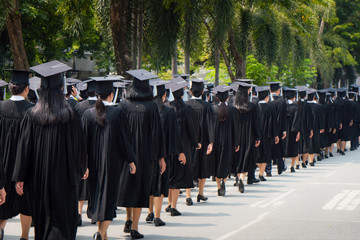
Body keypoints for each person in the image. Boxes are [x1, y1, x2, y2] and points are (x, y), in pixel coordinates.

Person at [12, 60, 88, 240]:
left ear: (41, 89)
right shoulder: (71, 114)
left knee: (43, 221)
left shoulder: (32, 115)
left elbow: (24, 148)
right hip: (66, 177)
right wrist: (81, 166)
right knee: (64, 220)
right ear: (61, 88)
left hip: (39, 178)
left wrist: (20, 177)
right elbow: (80, 144)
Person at [82, 77, 136, 240]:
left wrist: (83, 164)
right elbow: (125, 140)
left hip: (92, 164)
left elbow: (82, 142)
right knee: (109, 200)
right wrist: (131, 161)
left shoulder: (87, 114)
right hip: (112, 163)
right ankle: (100, 233)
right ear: (111, 95)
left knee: (98, 198)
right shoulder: (118, 113)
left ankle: (103, 235)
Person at [117, 69, 165, 239]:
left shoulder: (122, 105)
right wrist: (160, 157)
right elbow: (157, 134)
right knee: (138, 189)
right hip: (144, 156)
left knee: (128, 187)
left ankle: (128, 219)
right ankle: (135, 227)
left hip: (125, 155)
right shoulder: (152, 107)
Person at [146, 80, 185, 225]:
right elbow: (175, 134)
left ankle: (149, 212)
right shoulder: (168, 111)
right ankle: (157, 215)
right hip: (164, 153)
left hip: (148, 154)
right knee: (160, 185)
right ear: (164, 95)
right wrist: (179, 151)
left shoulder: (147, 109)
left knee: (150, 184)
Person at [0, 70, 32, 240]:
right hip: (25, 167)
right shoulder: (32, 110)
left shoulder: (0, 108)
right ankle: (24, 237)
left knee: (2, 203)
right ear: (27, 88)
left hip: (3, 165)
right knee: (26, 204)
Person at [166, 80, 201, 216]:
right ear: (182, 94)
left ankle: (169, 203)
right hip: (183, 147)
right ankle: (174, 206)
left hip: (169, 147)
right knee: (178, 177)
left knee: (170, 176)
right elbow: (191, 129)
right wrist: (195, 143)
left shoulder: (166, 108)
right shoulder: (187, 109)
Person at [73, 79, 98, 226]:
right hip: (98, 149)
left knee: (82, 181)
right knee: (96, 181)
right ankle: (93, 211)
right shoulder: (102, 107)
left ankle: (78, 213)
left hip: (81, 148)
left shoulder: (78, 106)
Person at [186, 79, 214, 204]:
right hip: (202, 140)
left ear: (190, 91)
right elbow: (210, 125)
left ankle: (188, 195)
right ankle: (200, 193)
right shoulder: (207, 106)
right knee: (202, 166)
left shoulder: (185, 105)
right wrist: (211, 142)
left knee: (189, 166)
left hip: (188, 141)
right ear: (203, 91)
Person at [232, 82, 260, 192]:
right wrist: (257, 137)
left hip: (236, 135)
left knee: (237, 156)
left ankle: (237, 178)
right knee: (246, 157)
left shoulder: (233, 107)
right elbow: (256, 123)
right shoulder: (252, 106)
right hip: (249, 135)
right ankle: (242, 179)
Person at [212, 85, 239, 196]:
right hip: (229, 141)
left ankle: (219, 186)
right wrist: (236, 142)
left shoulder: (213, 108)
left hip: (216, 141)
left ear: (217, 97)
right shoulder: (232, 109)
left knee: (217, 162)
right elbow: (236, 127)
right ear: (228, 97)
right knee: (226, 162)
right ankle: (224, 181)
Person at [256, 86, 278, 181]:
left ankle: (255, 172)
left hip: (256, 134)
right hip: (267, 135)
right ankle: (261, 173)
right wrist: (275, 135)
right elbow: (273, 122)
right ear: (267, 97)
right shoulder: (270, 107)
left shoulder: (255, 106)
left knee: (257, 154)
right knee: (265, 154)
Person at [267, 82, 287, 176]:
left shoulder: (267, 100)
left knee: (268, 149)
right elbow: (284, 117)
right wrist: (284, 130)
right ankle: (280, 167)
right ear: (279, 90)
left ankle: (268, 170)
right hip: (278, 128)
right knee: (278, 148)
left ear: (270, 90)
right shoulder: (282, 101)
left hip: (268, 128)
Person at [282, 87, 301, 172]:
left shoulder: (283, 106)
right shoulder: (296, 107)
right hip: (293, 131)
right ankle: (292, 166)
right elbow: (297, 120)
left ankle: (283, 164)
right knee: (294, 148)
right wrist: (298, 132)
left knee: (283, 148)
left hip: (283, 131)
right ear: (294, 97)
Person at [307, 89, 325, 166]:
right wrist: (322, 127)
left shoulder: (304, 105)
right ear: (314, 97)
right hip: (316, 127)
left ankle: (308, 159)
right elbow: (321, 118)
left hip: (306, 127)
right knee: (314, 142)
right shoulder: (318, 106)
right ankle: (312, 159)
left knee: (308, 142)